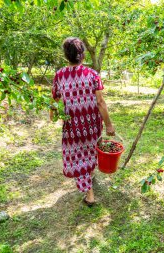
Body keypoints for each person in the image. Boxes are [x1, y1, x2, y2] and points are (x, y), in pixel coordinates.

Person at [50, 37, 115, 206]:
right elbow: (100, 102)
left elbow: (55, 99)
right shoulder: (92, 75)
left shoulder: (59, 76)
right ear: (83, 55)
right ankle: (90, 188)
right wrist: (108, 124)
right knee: (89, 150)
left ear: (66, 56)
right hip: (92, 124)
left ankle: (89, 193)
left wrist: (52, 114)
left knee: (78, 155)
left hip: (73, 126)